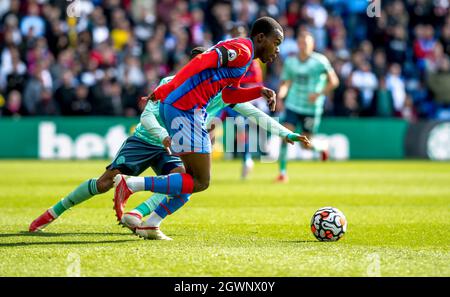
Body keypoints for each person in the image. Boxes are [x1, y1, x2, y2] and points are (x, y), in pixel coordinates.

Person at [29, 47, 309, 240]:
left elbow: (253, 112)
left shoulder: (220, 91)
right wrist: (165, 138)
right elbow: (148, 115)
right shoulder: (173, 82)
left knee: (186, 183)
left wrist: (286, 134)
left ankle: (143, 218)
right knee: (105, 183)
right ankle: (54, 212)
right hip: (147, 139)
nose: (210, 70)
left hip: (175, 144)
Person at [113, 17, 311, 239]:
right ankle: (131, 186)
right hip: (186, 108)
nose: (277, 50)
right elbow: (202, 60)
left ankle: (150, 222)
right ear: (261, 37)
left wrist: (259, 91)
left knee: (189, 180)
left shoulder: (244, 61)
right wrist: (168, 86)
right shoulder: (243, 49)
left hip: (184, 109)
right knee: (201, 181)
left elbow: (228, 94)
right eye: (276, 43)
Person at [276, 30, 339, 183]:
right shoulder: (291, 62)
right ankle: (282, 173)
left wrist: (319, 94)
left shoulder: (320, 61)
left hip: (311, 108)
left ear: (313, 45)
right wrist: (280, 96)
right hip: (293, 104)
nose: (304, 46)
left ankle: (321, 149)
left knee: (306, 145)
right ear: (297, 44)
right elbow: (285, 82)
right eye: (301, 43)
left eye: (307, 43)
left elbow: (334, 81)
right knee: (285, 135)